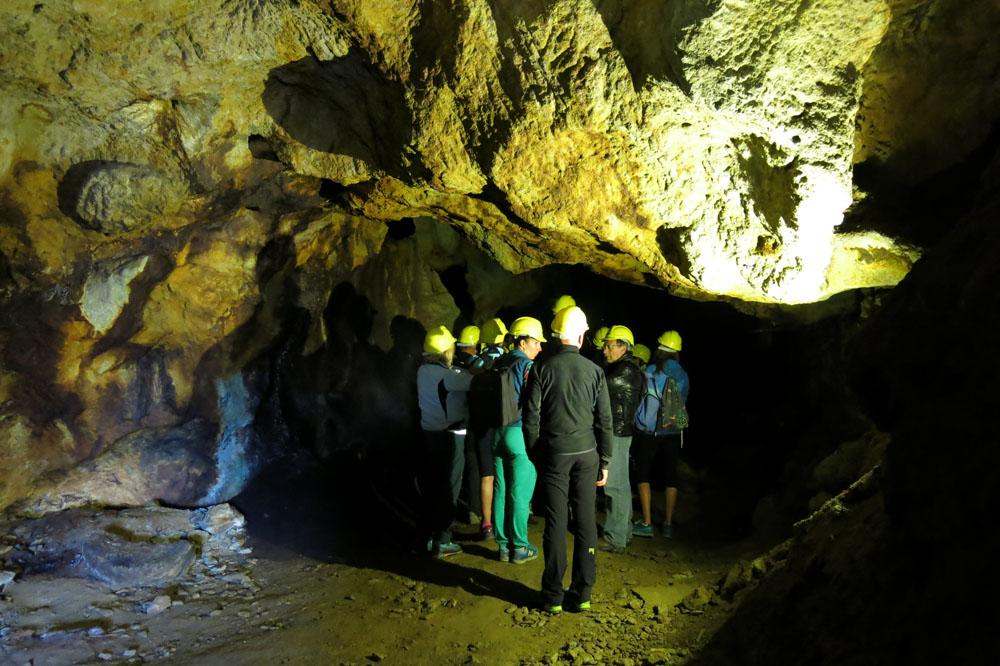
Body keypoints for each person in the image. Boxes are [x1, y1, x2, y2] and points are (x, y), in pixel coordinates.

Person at [523, 306, 613, 613]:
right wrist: (606, 460)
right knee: (586, 521)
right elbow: (604, 420)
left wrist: (537, 454)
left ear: (555, 335)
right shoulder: (595, 371)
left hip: (555, 455)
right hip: (587, 454)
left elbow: (530, 418)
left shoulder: (542, 368)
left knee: (556, 522)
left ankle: (552, 596)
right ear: (581, 335)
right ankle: (583, 593)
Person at [416, 325, 474, 558]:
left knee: (433, 487)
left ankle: (426, 538)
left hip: (429, 434)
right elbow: (472, 383)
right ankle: (443, 540)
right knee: (451, 487)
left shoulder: (422, 371)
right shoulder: (447, 376)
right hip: (451, 436)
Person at [493, 317, 544, 563]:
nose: (540, 347)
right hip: (518, 432)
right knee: (520, 494)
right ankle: (520, 548)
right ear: (522, 342)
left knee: (501, 491)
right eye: (536, 342)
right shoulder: (526, 366)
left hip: (496, 433)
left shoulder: (497, 360)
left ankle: (503, 547)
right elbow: (534, 403)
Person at [632, 330, 690, 539]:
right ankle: (667, 524)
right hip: (674, 431)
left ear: (659, 349)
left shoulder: (650, 371)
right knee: (670, 476)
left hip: (652, 431)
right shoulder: (683, 375)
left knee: (643, 474)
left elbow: (644, 402)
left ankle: (646, 523)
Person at [598, 325, 645, 553]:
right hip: (621, 432)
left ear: (623, 347)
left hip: (616, 433)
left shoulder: (624, 370)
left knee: (614, 487)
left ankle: (615, 538)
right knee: (622, 485)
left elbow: (598, 390)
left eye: (609, 346)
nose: (604, 350)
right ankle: (622, 533)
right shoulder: (627, 368)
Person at [473, 317, 507, 539]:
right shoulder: (509, 360)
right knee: (506, 477)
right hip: (504, 424)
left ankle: (486, 525)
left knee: (487, 475)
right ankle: (504, 521)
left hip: (481, 425)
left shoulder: (476, 363)